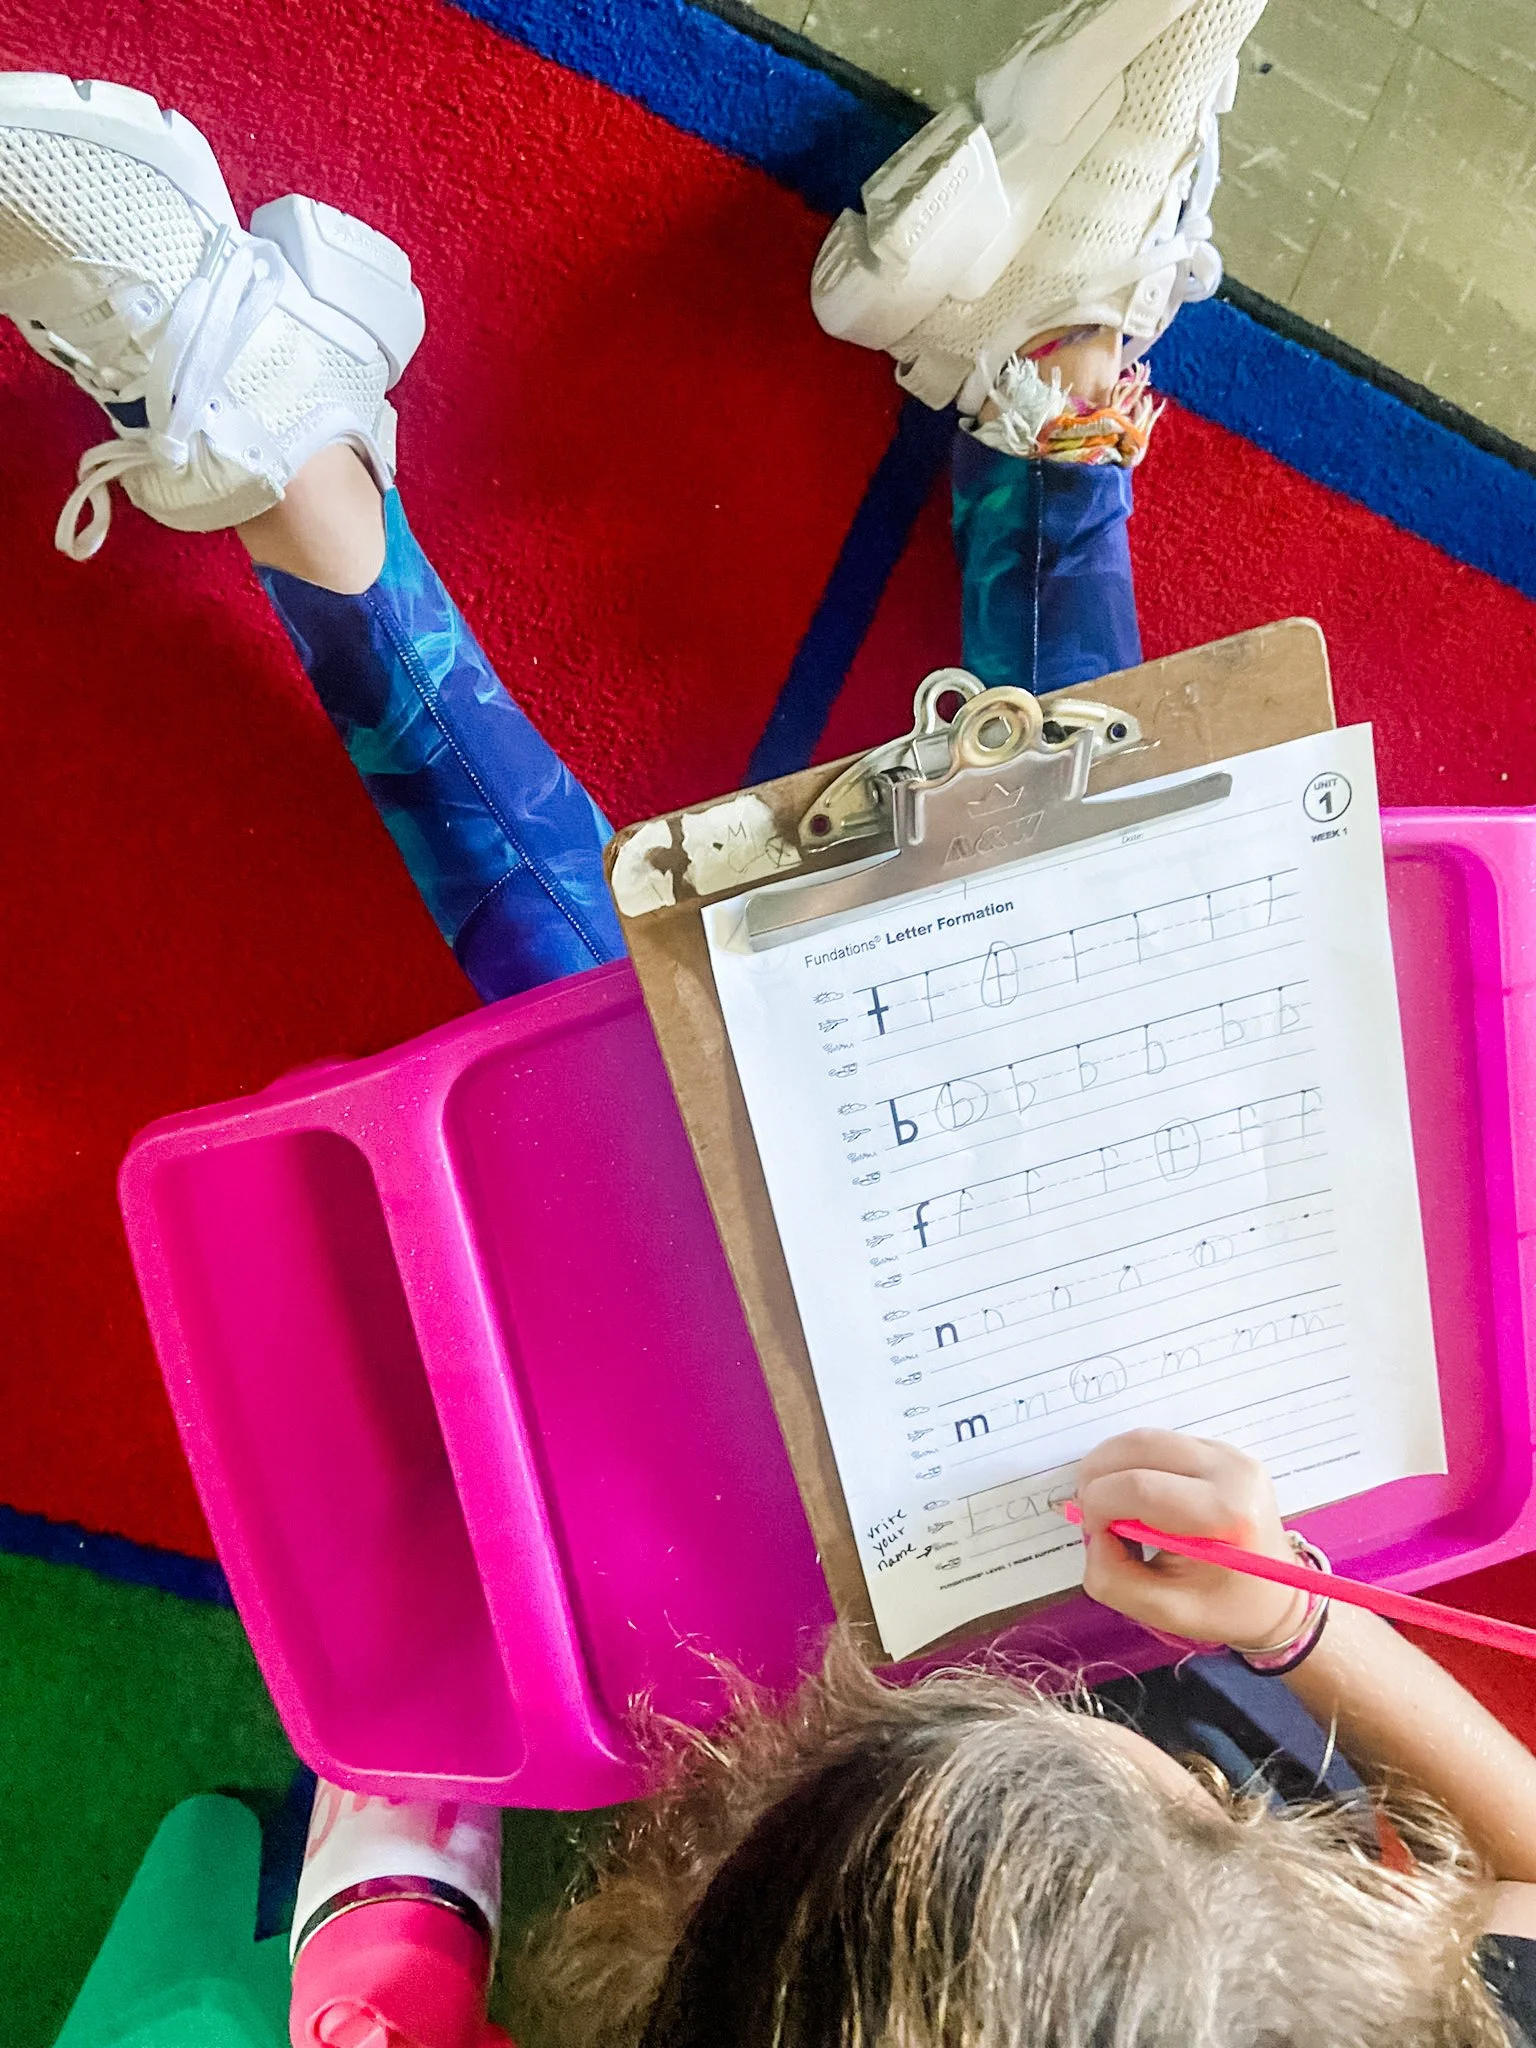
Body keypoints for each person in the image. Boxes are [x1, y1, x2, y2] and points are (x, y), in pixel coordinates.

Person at [5, 6, 1536, 2046]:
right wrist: (1294, 1624)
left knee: (620, 1114)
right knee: (1108, 938)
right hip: (1179, 1622)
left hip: (765, 1697)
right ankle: (1044, 412)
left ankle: (317, 489)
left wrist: (461, 1883)